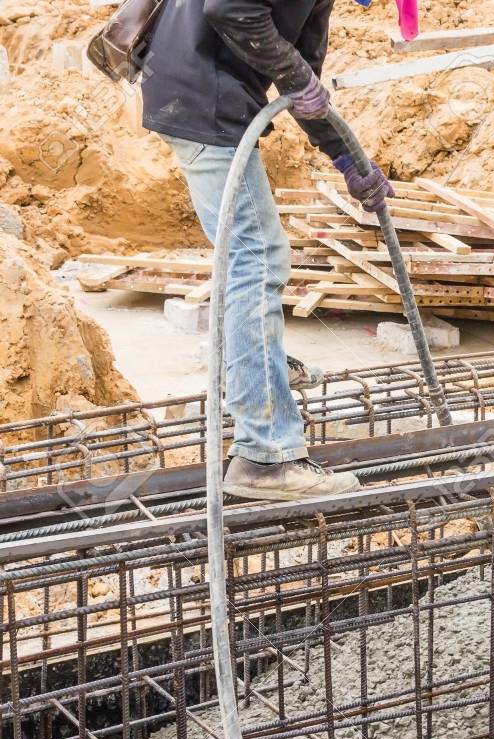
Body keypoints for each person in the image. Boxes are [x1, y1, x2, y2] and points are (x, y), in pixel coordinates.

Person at [140, 0, 411, 500]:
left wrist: (349, 160)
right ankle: (265, 456)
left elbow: (301, 82)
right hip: (202, 99)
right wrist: (293, 73)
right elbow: (230, 7)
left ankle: (252, 365)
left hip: (197, 96)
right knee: (257, 256)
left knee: (249, 253)